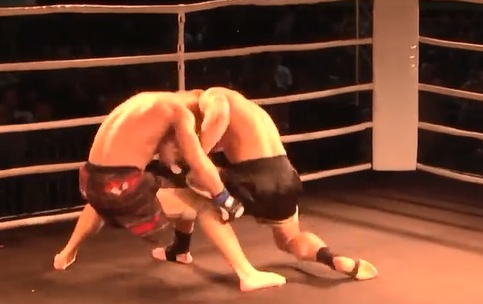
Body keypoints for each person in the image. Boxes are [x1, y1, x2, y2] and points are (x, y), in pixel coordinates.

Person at [53, 91, 286, 292]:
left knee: (173, 191)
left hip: (91, 183)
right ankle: (247, 274)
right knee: (205, 204)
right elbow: (197, 162)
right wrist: (224, 198)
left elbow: (168, 159)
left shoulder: (146, 101)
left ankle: (66, 254)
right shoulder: (180, 113)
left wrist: (179, 163)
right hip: (122, 189)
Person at [152, 87, 379, 281]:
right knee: (290, 239)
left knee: (200, 192)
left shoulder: (212, 96)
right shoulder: (249, 111)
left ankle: (245, 273)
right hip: (286, 178)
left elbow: (220, 114)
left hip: (256, 178)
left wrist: (194, 155)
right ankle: (331, 258)